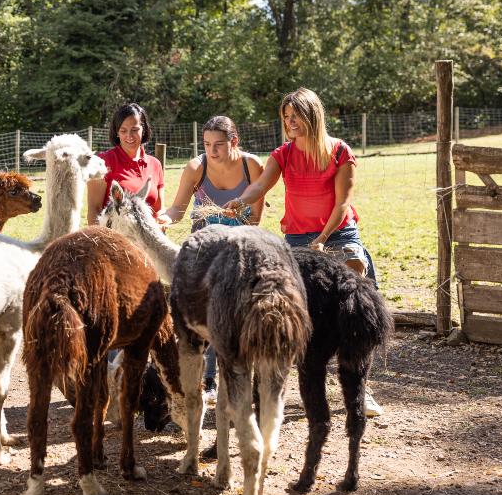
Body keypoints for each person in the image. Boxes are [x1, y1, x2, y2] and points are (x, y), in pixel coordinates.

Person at [225, 88, 383, 417]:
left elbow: (343, 203)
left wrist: (324, 239)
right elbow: (261, 185)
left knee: (355, 308)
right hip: (297, 239)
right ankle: (299, 390)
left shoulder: (340, 152)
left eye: (295, 116)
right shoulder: (283, 154)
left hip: (338, 234)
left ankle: (361, 390)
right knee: (301, 315)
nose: (289, 122)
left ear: (312, 115)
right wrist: (241, 199)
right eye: (285, 117)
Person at [160, 116, 265, 404]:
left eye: (219, 144)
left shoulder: (251, 165)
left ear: (235, 141)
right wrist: (165, 218)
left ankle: (241, 377)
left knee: (238, 312)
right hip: (204, 250)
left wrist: (240, 220)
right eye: (207, 144)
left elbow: (255, 218)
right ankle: (208, 380)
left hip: (239, 247)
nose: (212, 151)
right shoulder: (197, 167)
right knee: (205, 312)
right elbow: (178, 208)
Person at [87, 103, 165, 226]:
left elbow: (159, 210)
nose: (129, 136)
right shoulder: (103, 162)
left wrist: (163, 221)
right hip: (116, 241)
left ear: (143, 129)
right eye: (123, 130)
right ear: (117, 132)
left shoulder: (155, 164)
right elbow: (94, 210)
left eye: (134, 130)